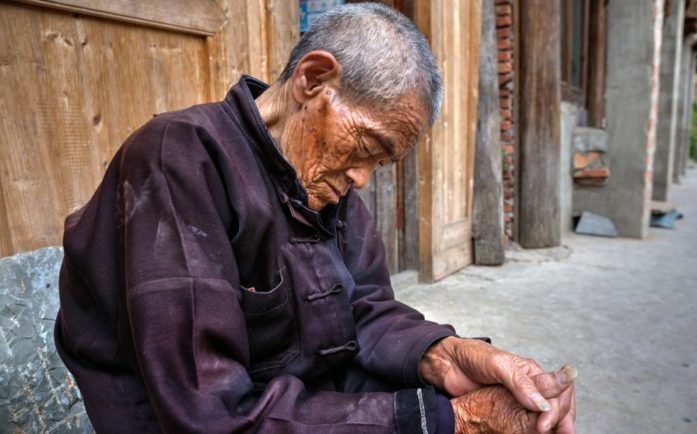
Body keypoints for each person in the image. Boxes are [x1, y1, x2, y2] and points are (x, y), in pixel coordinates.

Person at [55, 3, 576, 433]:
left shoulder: (326, 180)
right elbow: (208, 413)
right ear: (314, 79)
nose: (364, 179)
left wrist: (445, 353)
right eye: (369, 146)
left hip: (298, 398)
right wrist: (460, 421)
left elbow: (367, 309)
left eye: (383, 162)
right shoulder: (180, 158)